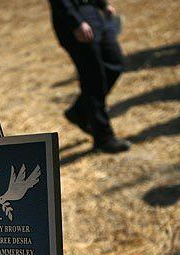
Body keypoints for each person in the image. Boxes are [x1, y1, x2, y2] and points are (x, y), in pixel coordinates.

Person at [48, 0, 130, 153]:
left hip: (93, 11)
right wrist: (76, 22)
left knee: (115, 63)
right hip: (74, 18)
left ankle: (80, 111)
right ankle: (103, 138)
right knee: (93, 78)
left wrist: (103, 4)